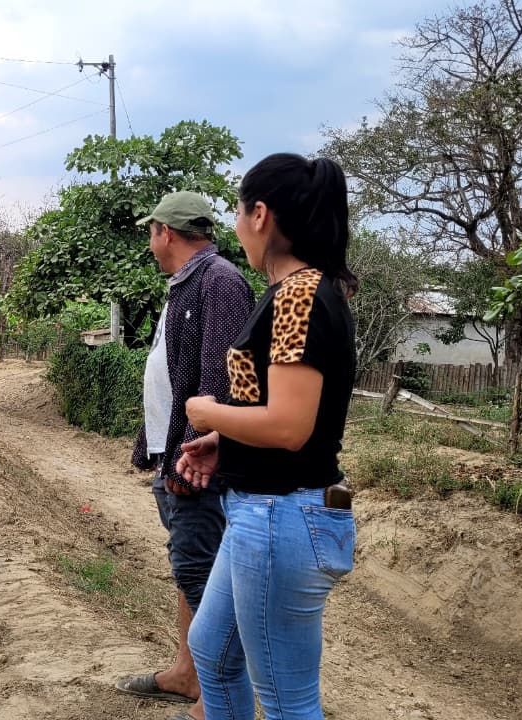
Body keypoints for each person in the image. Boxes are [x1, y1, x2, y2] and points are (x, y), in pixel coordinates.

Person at [179, 153, 358, 720]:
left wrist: (207, 412)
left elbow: (288, 426)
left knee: (286, 701)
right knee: (212, 652)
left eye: (237, 213)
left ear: (260, 214)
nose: (236, 227)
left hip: (283, 514)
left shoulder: (299, 296)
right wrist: (226, 442)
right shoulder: (296, 291)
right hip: (263, 511)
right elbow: (284, 413)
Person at [113, 191, 255, 720]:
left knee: (202, 575)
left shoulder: (219, 281)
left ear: (166, 232)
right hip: (175, 451)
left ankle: (215, 700)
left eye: (151, 232)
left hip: (197, 459)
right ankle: (186, 672)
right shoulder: (187, 283)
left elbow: (223, 379)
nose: (150, 242)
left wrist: (193, 450)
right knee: (188, 566)